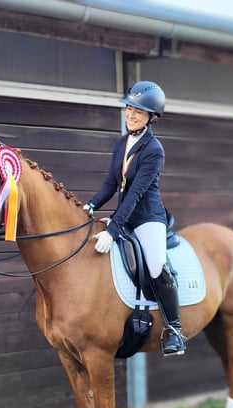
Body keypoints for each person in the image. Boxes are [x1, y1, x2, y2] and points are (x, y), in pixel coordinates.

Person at [82, 81, 186, 356]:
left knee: (155, 265)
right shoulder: (121, 143)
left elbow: (136, 193)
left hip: (147, 216)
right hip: (124, 214)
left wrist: (113, 229)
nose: (130, 115)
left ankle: (174, 329)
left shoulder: (154, 150)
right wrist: (91, 204)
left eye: (138, 111)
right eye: (129, 108)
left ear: (152, 117)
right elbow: (110, 183)